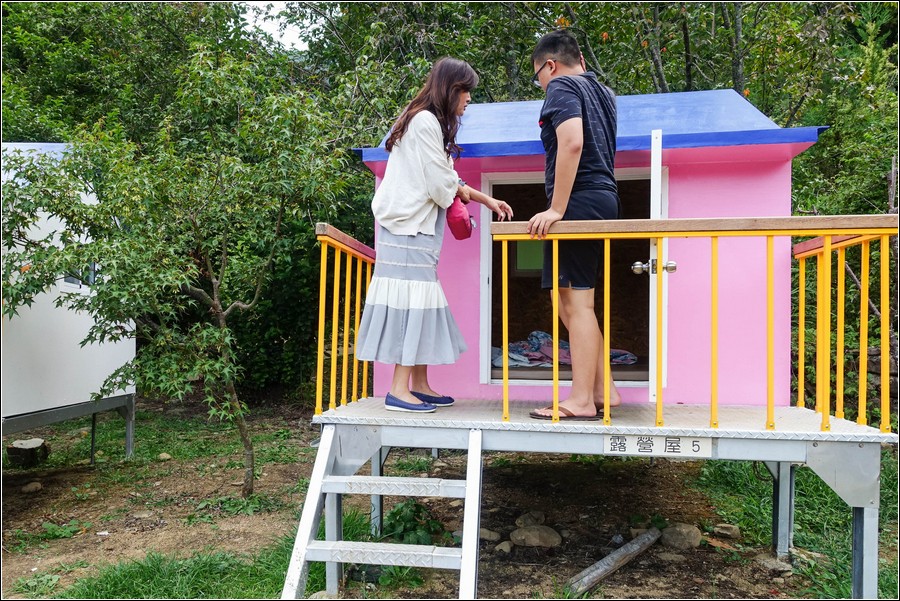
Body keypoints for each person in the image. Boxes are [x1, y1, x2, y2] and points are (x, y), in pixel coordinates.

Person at [356, 57, 514, 413]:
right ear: (450, 89)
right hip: (406, 228)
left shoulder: (426, 122)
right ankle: (399, 390)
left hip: (413, 228)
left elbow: (446, 179)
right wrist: (476, 197)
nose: (469, 99)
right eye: (465, 91)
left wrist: (486, 199)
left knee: (421, 303)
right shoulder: (425, 122)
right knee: (411, 304)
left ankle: (420, 384)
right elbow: (441, 184)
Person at [526, 30, 622, 420]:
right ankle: (603, 388)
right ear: (581, 59)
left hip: (579, 201)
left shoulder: (562, 86)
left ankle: (582, 400)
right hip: (602, 197)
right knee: (570, 300)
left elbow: (572, 143)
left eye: (538, 76)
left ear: (550, 65)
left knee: (577, 302)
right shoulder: (604, 93)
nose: (541, 84)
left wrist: (556, 208)